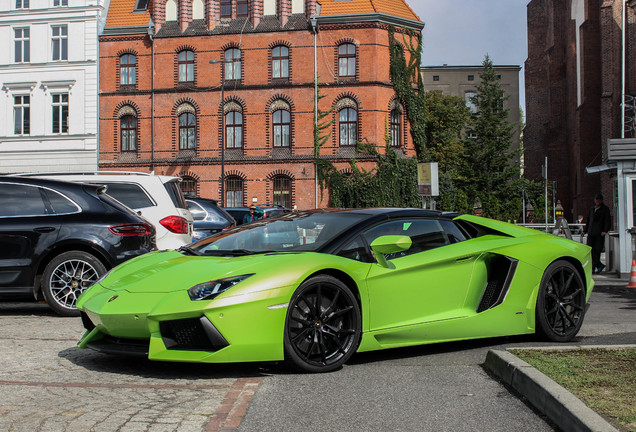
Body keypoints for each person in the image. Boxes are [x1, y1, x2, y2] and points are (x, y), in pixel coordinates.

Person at [584, 194, 611, 274]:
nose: (597, 201)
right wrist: (584, 231)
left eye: (599, 199)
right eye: (596, 199)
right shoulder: (592, 209)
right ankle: (597, 266)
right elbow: (588, 221)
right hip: (591, 233)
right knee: (590, 250)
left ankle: (596, 266)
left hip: (599, 233)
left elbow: (607, 221)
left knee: (597, 250)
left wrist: (605, 230)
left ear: (601, 200)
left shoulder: (605, 209)